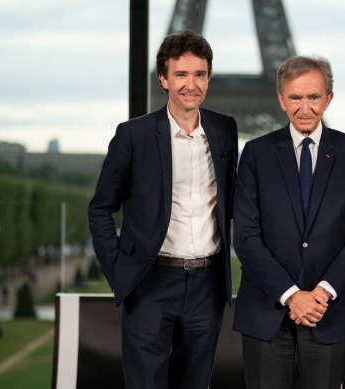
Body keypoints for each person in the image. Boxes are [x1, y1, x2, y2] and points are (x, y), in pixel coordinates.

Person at [88, 31, 238, 389]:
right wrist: (120, 270)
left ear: (208, 78)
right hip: (151, 283)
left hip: (207, 286)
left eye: (199, 75)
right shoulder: (133, 135)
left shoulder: (224, 130)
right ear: (164, 78)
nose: (191, 84)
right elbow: (100, 209)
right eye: (182, 75)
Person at [232, 55, 345, 388]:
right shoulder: (255, 153)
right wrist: (293, 295)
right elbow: (247, 237)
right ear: (281, 100)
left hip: (328, 313)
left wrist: (321, 294)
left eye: (313, 97)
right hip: (266, 312)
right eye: (295, 97)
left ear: (328, 98)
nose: (305, 107)